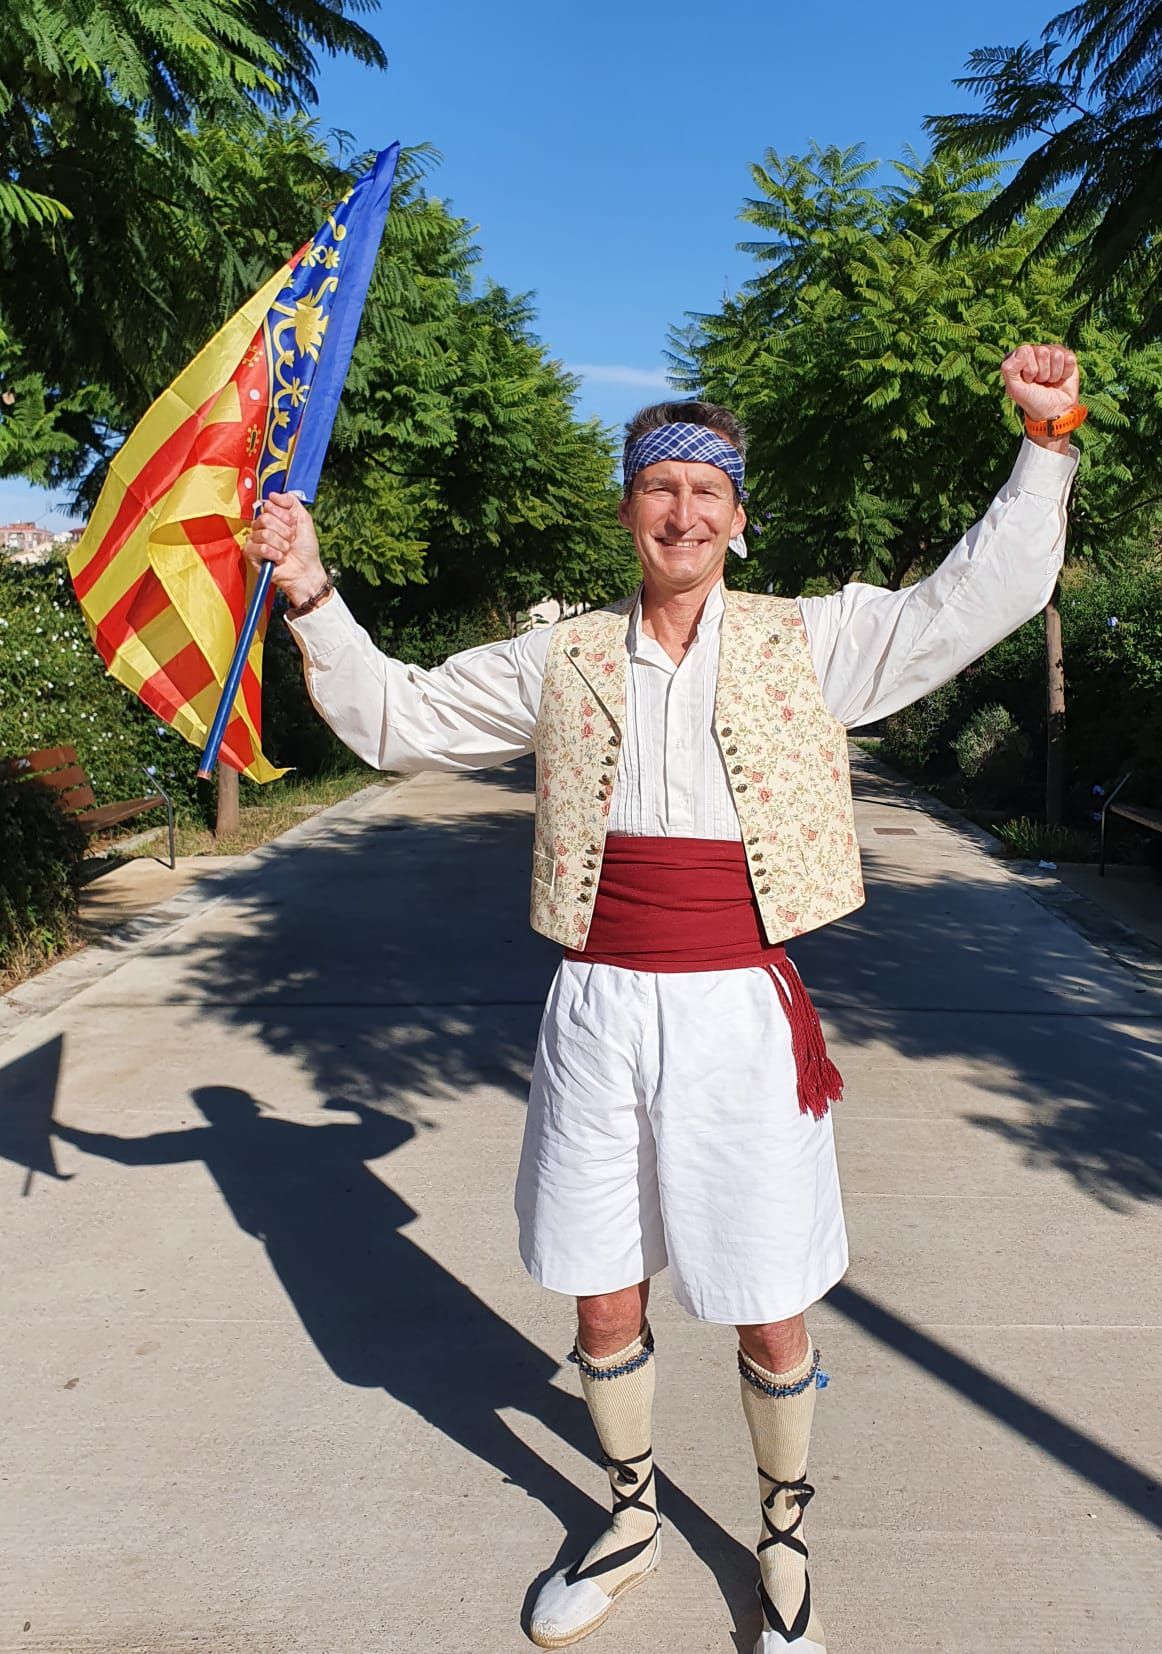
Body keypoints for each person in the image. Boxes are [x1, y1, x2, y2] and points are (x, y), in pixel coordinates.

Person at [246, 344, 1082, 1652]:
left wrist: (1043, 441)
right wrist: (307, 588)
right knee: (597, 1285)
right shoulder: (564, 654)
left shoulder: (810, 640)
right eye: (659, 487)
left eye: (706, 489)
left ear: (739, 517)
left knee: (765, 1285)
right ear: (625, 505)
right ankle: (630, 1509)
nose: (681, 510)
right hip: (592, 1005)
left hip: (740, 1012)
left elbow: (968, 597)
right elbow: (399, 718)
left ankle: (781, 1529)